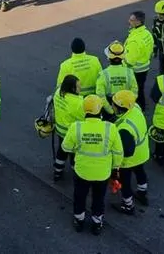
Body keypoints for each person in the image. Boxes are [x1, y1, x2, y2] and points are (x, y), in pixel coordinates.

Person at [61, 95, 122, 235]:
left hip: (82, 171)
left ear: (84, 110)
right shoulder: (110, 128)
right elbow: (118, 152)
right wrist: (115, 168)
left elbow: (65, 147)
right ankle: (97, 223)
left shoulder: (76, 127)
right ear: (100, 110)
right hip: (102, 173)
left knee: (80, 196)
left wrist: (78, 149)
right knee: (99, 198)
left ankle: (79, 220)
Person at [109, 90, 149, 214]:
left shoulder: (124, 128)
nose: (111, 106)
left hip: (129, 160)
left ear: (119, 108)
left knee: (124, 183)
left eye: (113, 104)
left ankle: (128, 205)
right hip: (142, 153)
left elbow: (126, 151)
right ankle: (142, 192)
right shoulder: (135, 108)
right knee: (140, 172)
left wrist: (115, 165)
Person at [52, 75, 85, 181]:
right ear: (72, 88)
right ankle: (74, 169)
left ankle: (57, 172)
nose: (80, 88)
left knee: (61, 151)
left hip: (60, 129)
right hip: (72, 133)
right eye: (78, 86)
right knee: (74, 152)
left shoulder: (58, 93)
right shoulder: (78, 103)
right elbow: (84, 119)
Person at [95, 41, 137, 112]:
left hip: (109, 105)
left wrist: (110, 110)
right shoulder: (129, 72)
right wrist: (129, 107)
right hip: (126, 105)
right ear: (122, 57)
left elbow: (100, 96)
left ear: (109, 57)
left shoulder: (103, 74)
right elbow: (134, 92)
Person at [124, 11, 153, 109]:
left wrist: (121, 56)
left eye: (131, 20)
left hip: (135, 70)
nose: (129, 21)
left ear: (138, 22)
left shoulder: (135, 40)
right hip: (144, 67)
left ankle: (138, 107)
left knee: (135, 91)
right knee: (140, 88)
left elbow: (129, 61)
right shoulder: (147, 33)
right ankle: (142, 106)